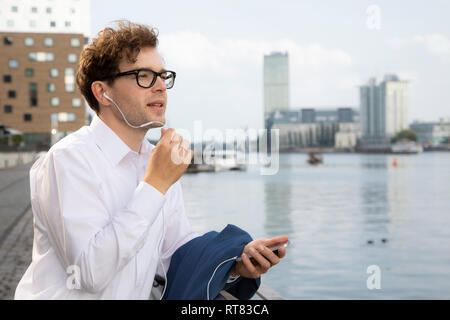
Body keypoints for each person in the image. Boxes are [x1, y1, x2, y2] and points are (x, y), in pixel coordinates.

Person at [15, 20, 287, 299]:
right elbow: (87, 274)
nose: (160, 87)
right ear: (102, 92)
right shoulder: (68, 160)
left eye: (162, 75)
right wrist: (155, 185)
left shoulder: (155, 161)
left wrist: (235, 265)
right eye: (143, 75)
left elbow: (176, 253)